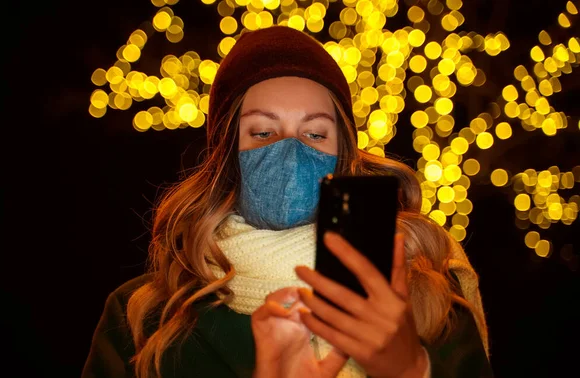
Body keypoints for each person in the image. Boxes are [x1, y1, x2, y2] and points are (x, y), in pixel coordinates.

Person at [82, 26, 492, 378]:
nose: (289, 151)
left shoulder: (428, 295)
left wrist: (409, 370)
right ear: (226, 157)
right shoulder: (143, 316)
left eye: (315, 135)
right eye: (262, 133)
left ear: (344, 154)